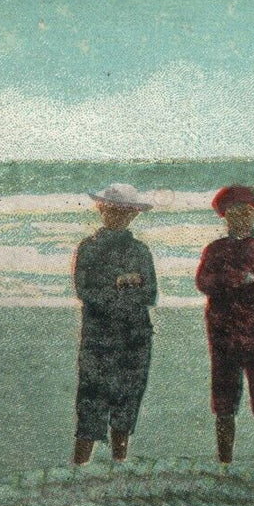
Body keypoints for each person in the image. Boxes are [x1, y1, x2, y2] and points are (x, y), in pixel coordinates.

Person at [72, 183, 158, 465]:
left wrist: (124, 289)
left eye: (123, 211)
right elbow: (85, 292)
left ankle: (119, 464)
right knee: (91, 399)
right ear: (100, 209)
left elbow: (150, 293)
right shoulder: (88, 247)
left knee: (128, 399)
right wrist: (120, 284)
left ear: (133, 215)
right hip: (98, 336)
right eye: (111, 209)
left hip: (135, 335)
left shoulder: (141, 250)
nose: (117, 216)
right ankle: (80, 466)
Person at [195, 185, 254, 470]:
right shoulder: (215, 249)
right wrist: (237, 279)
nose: (241, 218)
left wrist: (246, 282)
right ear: (225, 217)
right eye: (234, 213)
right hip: (224, 335)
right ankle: (225, 465)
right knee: (224, 402)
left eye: (247, 212)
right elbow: (203, 282)